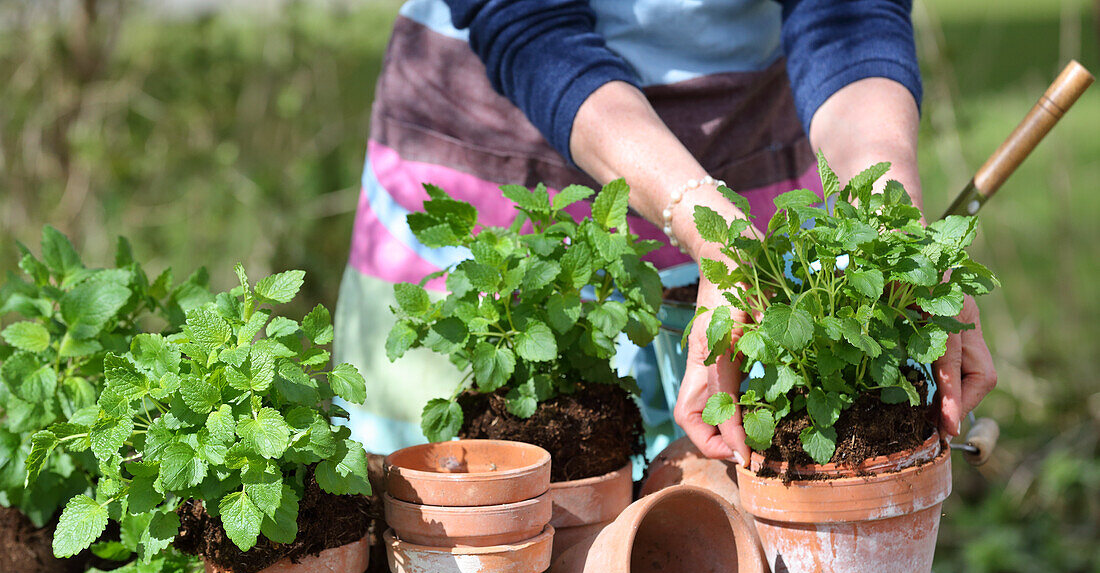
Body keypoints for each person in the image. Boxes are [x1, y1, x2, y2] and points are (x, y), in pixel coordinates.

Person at [333, 0, 997, 462]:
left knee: (752, 510)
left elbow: (847, 17)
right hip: (498, 188)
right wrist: (712, 228)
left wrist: (891, 220)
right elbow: (528, 21)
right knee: (464, 526)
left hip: (754, 155)